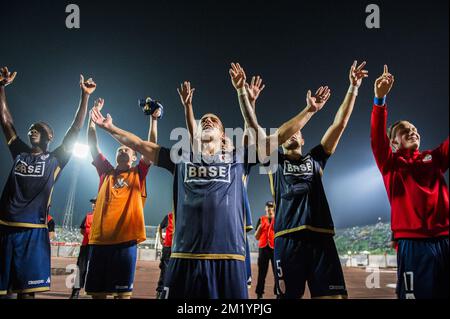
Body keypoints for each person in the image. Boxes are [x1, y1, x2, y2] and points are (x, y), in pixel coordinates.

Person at [89, 68, 309, 299]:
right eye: (204, 120)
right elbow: (140, 145)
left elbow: (280, 136)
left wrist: (309, 111)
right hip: (185, 257)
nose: (208, 121)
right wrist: (109, 128)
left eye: (214, 121)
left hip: (229, 258)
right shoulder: (181, 157)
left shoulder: (238, 158)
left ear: (224, 136)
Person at [234, 61, 368, 298]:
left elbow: (340, 124)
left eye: (298, 132)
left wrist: (353, 88)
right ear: (282, 140)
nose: (293, 133)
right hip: (287, 240)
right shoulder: (274, 160)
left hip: (321, 238)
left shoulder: (316, 158)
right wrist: (245, 96)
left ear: (304, 140)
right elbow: (254, 129)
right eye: (288, 132)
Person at [0, 66, 96, 299]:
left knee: (27, 292)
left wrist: (84, 96)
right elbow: (6, 121)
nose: (33, 130)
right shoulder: (20, 153)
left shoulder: (56, 159)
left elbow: (74, 129)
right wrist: (1, 87)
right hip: (5, 228)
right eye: (31, 128)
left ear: (50, 137)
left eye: (39, 129)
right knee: (4, 292)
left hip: (33, 231)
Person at [370, 65, 449, 299]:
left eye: (414, 129)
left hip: (445, 239)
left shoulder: (433, 158)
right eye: (405, 131)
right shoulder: (390, 164)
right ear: (393, 143)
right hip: (413, 244)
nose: (412, 131)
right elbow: (377, 138)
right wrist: (379, 100)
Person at [84, 98, 160, 299]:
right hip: (100, 241)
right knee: (97, 294)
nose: (123, 151)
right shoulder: (105, 172)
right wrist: (92, 119)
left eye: (127, 149)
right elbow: (92, 144)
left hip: (125, 242)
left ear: (135, 157)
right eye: (119, 150)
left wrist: (154, 120)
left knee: (122, 295)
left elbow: (150, 146)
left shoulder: (138, 173)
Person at [69, 198, 96, 299]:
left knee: (95, 269)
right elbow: (82, 230)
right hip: (86, 245)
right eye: (92, 203)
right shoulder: (88, 216)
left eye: (95, 203)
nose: (93, 205)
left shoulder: (104, 216)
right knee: (81, 269)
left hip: (97, 246)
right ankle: (75, 292)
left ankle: (94, 291)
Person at [254, 201, 276, 299]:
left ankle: (278, 293)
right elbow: (256, 237)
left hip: (275, 249)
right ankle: (259, 294)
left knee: (277, 273)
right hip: (263, 248)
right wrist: (260, 228)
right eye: (268, 207)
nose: (270, 209)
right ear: (265, 208)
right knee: (262, 273)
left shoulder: (278, 219)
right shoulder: (261, 219)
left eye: (272, 207)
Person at [156, 212, 174, 299]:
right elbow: (160, 226)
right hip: (168, 247)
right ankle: (160, 291)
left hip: (177, 249)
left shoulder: (184, 214)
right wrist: (161, 239)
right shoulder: (169, 216)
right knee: (165, 269)